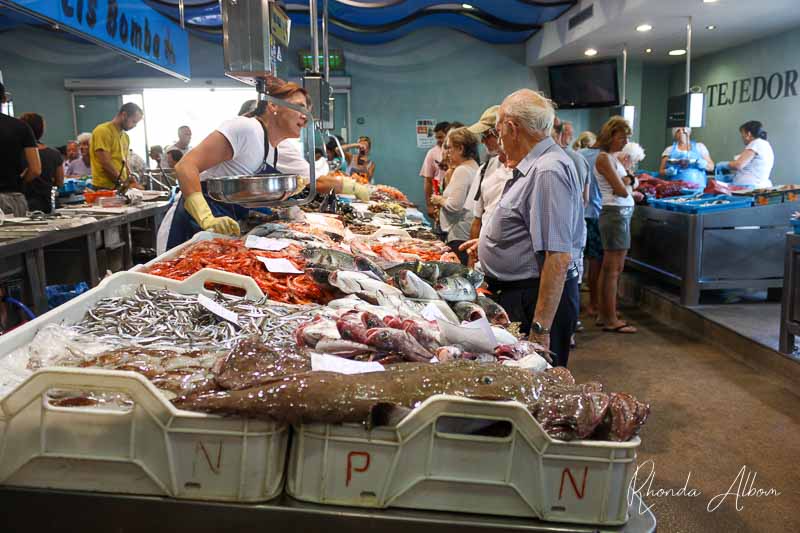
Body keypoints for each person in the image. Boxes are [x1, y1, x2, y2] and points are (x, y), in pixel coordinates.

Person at [464, 89, 584, 366]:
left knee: (533, 386)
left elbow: (558, 256)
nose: (499, 138)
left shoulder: (547, 170)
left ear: (511, 128)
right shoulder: (533, 165)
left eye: (498, 130)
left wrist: (540, 331)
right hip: (519, 293)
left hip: (532, 299)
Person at [595, 116, 636, 334]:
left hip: (619, 212)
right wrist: (629, 182)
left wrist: (627, 181)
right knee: (613, 268)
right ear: (610, 136)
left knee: (613, 267)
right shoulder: (604, 158)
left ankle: (606, 312)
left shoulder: (612, 158)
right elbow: (620, 189)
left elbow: (624, 183)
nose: (625, 141)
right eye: (622, 137)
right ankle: (610, 318)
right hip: (614, 213)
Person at [430, 127, 479, 264]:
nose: (447, 153)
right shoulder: (474, 166)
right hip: (466, 231)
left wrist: (438, 200)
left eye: (450, 148)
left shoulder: (462, 170)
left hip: (458, 234)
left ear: (461, 149)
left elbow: (454, 205)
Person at [465, 106, 511, 241]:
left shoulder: (529, 170)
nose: (482, 141)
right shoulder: (485, 169)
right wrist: (472, 258)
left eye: (485, 135)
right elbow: (477, 219)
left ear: (499, 132)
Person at [0, 82, 40, 216]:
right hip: (12, 197)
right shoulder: (20, 127)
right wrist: (18, 183)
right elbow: (35, 169)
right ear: (4, 98)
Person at [90, 102, 143, 190]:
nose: (134, 126)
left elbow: (124, 163)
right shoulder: (103, 131)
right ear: (124, 115)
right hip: (104, 187)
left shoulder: (125, 137)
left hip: (119, 185)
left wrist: (132, 180)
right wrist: (125, 184)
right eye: (133, 121)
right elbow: (106, 163)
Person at [18, 113, 64, 213]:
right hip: (50, 203)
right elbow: (60, 182)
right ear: (41, 130)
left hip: (26, 204)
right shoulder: (54, 153)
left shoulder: (17, 153)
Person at [579, 140, 603, 318]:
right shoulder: (604, 158)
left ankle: (580, 305)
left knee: (580, 263)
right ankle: (594, 304)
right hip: (595, 213)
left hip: (583, 214)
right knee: (595, 262)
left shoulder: (580, 155)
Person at [716, 121, 774, 189]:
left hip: (750, 187)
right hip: (759, 185)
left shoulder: (756, 143)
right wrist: (734, 177)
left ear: (748, 134)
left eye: (742, 134)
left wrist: (723, 165)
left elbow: (738, 165)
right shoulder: (765, 144)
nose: (742, 137)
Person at [420, 121, 451, 217]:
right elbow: (428, 180)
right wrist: (429, 205)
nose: (438, 140)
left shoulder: (459, 153)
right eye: (436, 137)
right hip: (439, 198)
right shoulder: (432, 153)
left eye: (441, 137)